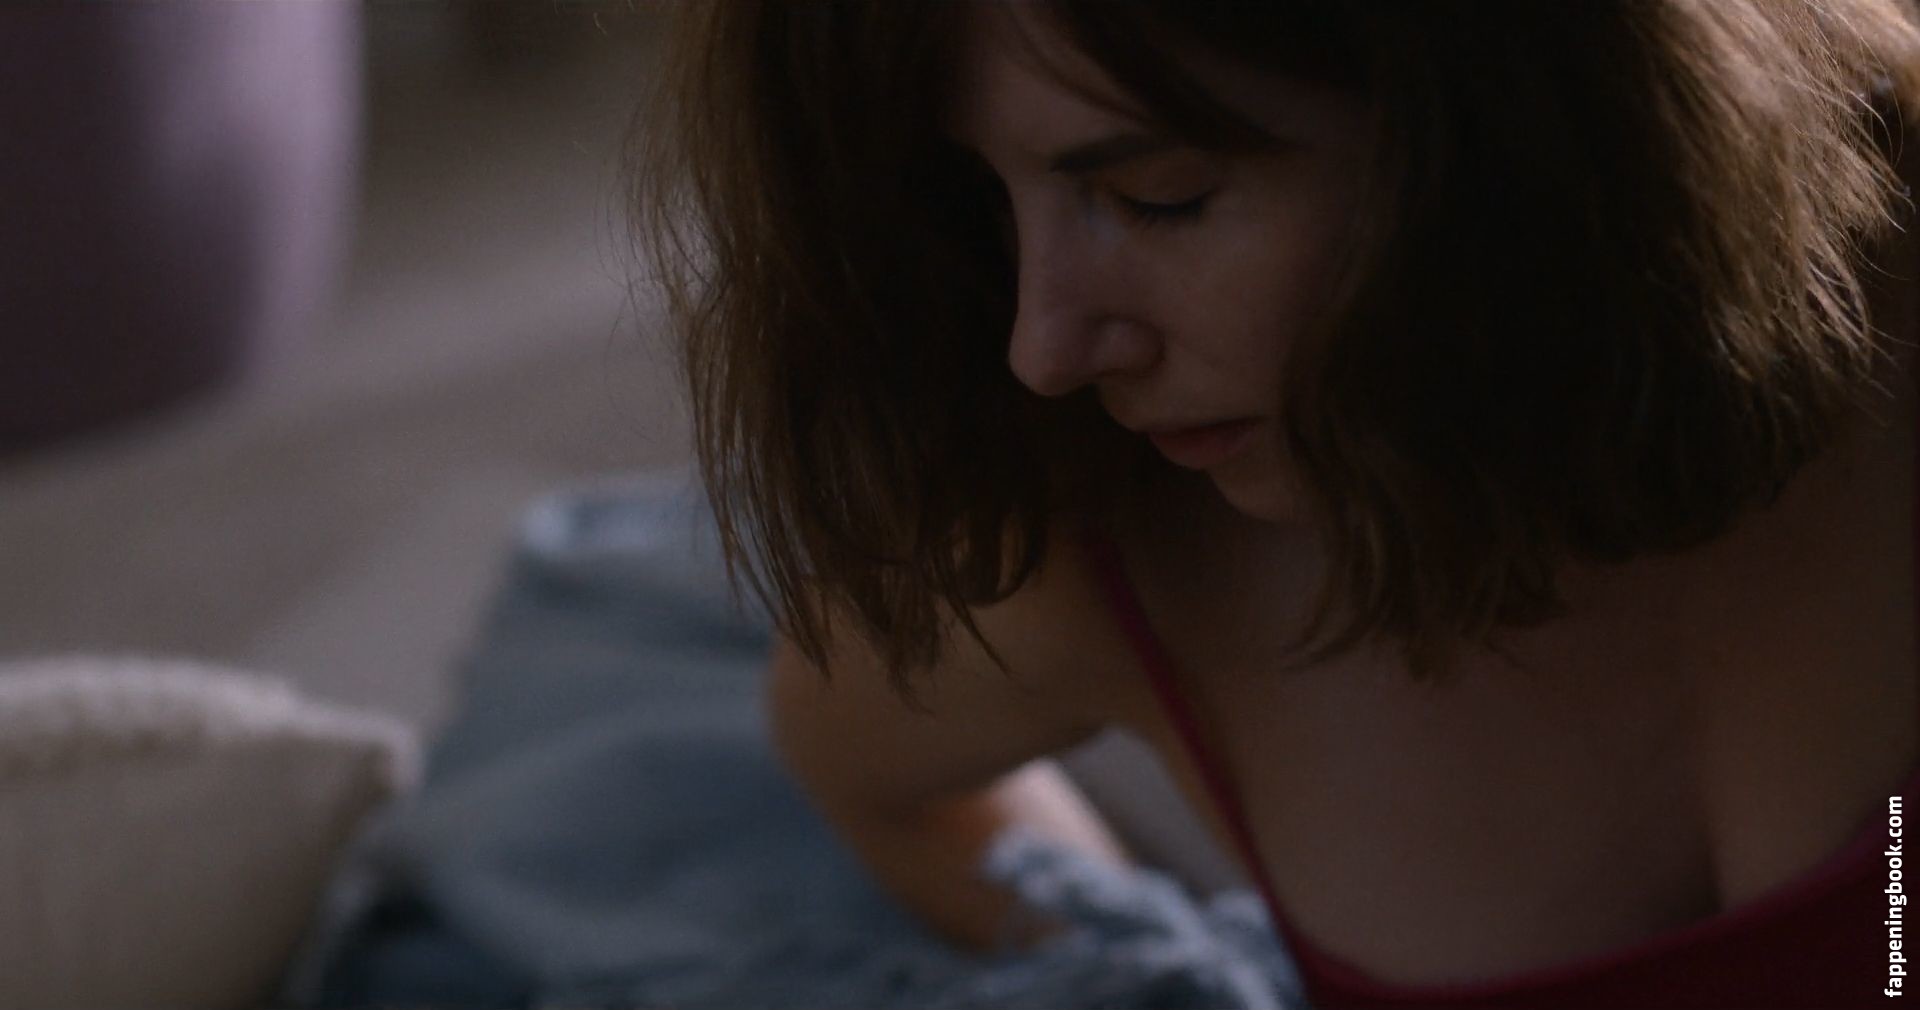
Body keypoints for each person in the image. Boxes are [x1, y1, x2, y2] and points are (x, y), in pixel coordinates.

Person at [633, 2, 1920, 1005]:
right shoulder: (1108, 567)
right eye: (985, 203)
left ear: (1517, 104)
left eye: (1158, 196)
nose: (1045, 344)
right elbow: (862, 770)